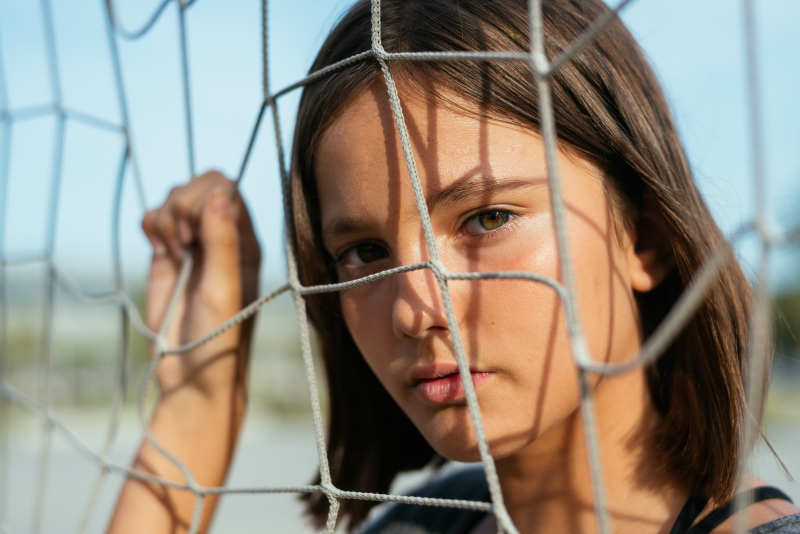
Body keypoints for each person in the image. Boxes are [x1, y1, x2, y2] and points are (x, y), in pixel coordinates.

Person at [108, 0, 800, 533]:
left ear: (644, 239)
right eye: (366, 252)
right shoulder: (427, 519)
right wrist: (197, 401)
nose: (414, 308)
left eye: (488, 219)